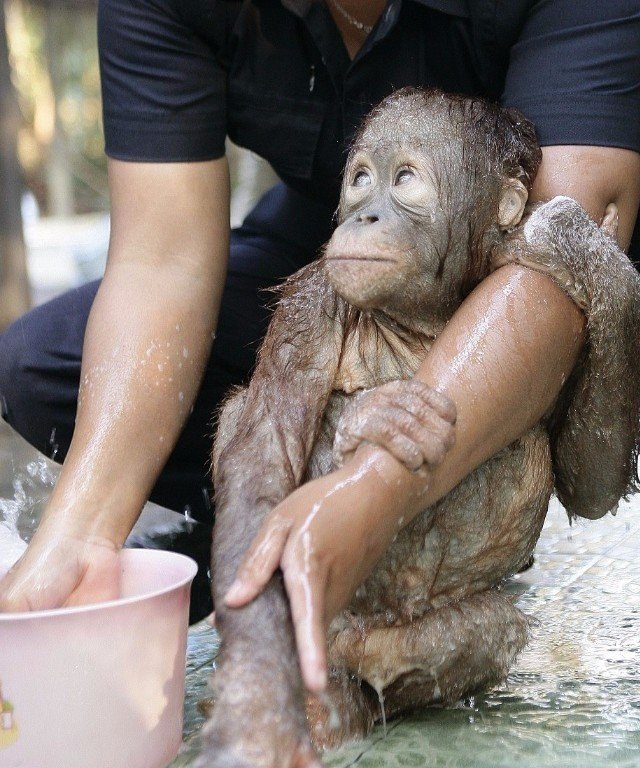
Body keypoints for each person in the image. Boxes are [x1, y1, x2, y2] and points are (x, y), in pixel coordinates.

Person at [0, 1, 639, 691]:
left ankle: (432, 516)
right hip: (355, 258)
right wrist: (81, 531)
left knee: (584, 271)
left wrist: (376, 488)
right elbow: (161, 263)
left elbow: (565, 247)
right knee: (46, 364)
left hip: (545, 258)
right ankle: (271, 540)